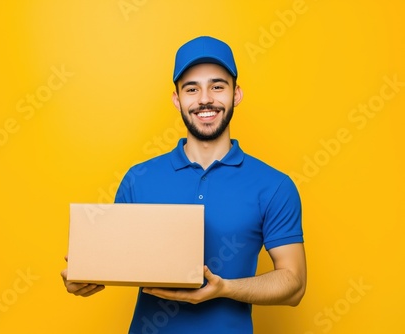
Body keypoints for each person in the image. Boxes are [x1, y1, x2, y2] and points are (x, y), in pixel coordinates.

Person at [61, 36, 307, 333]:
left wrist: (224, 288)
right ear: (177, 99)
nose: (205, 99)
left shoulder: (274, 186)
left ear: (236, 94)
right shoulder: (139, 179)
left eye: (217, 86)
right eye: (192, 89)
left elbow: (294, 284)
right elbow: (115, 261)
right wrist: (84, 276)